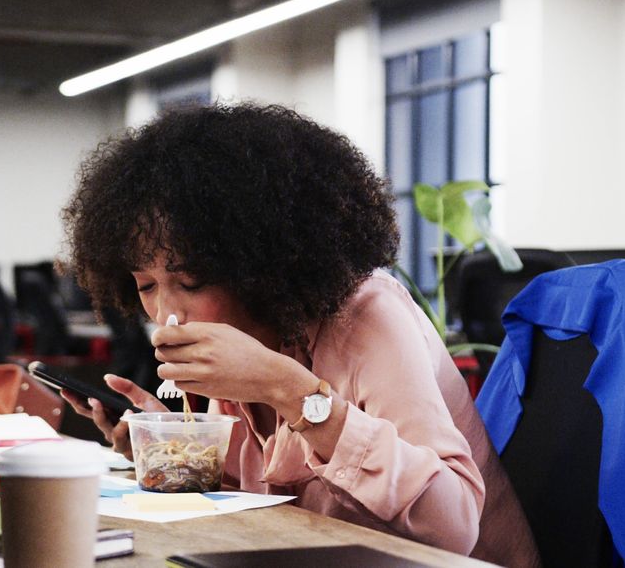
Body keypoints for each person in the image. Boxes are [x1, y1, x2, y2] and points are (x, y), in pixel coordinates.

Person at [59, 103, 538, 565]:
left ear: (254, 263)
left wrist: (287, 390)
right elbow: (260, 505)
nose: (167, 315)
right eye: (145, 286)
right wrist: (172, 448)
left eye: (192, 282)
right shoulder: (239, 338)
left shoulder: (369, 314)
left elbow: (452, 527)